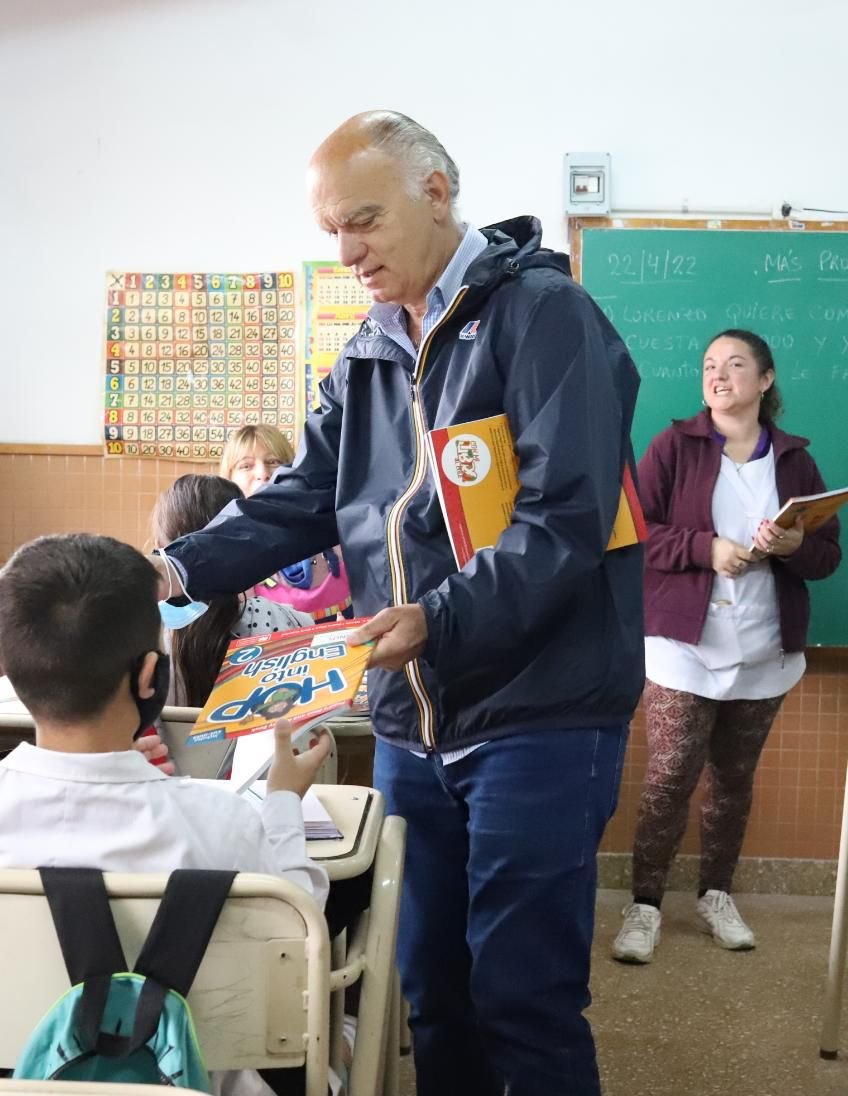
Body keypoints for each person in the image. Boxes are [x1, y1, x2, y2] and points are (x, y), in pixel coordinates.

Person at [153, 110, 643, 1095]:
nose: (345, 252)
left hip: (537, 714)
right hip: (412, 725)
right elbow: (303, 497)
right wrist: (174, 571)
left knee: (522, 994)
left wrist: (440, 618)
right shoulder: (368, 350)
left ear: (434, 192)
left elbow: (564, 517)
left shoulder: (542, 316)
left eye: (362, 221)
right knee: (429, 988)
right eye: (331, 230)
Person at [0, 533, 330, 1096]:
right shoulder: (219, 820)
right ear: (150, 675)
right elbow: (300, 931)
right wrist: (281, 802)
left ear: (6, 665)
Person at [611, 330, 842, 963]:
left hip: (766, 650)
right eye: (710, 365)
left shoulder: (795, 461)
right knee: (668, 779)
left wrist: (796, 548)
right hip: (684, 648)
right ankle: (645, 905)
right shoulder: (674, 446)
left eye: (736, 365)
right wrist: (704, 549)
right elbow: (634, 532)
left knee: (734, 782)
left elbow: (828, 556)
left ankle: (716, 894)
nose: (719, 375)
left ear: (765, 381)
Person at [151, 474, 312, 706]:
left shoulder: (140, 635)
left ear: (160, 546)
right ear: (248, 546)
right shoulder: (294, 624)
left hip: (163, 744)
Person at [221, 425, 352, 623]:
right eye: (246, 466)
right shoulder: (225, 554)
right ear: (229, 478)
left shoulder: (334, 528)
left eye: (273, 462)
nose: (263, 473)